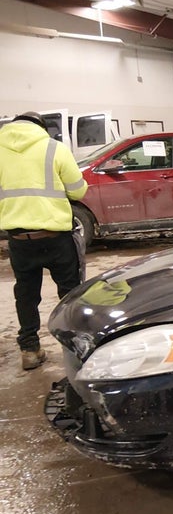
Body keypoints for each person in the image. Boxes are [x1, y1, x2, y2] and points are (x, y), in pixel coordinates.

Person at [0, 111, 88, 370]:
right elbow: (78, 190)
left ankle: (29, 349)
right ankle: (74, 350)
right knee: (70, 293)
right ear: (41, 127)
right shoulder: (54, 148)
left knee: (26, 294)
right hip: (55, 237)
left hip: (18, 239)